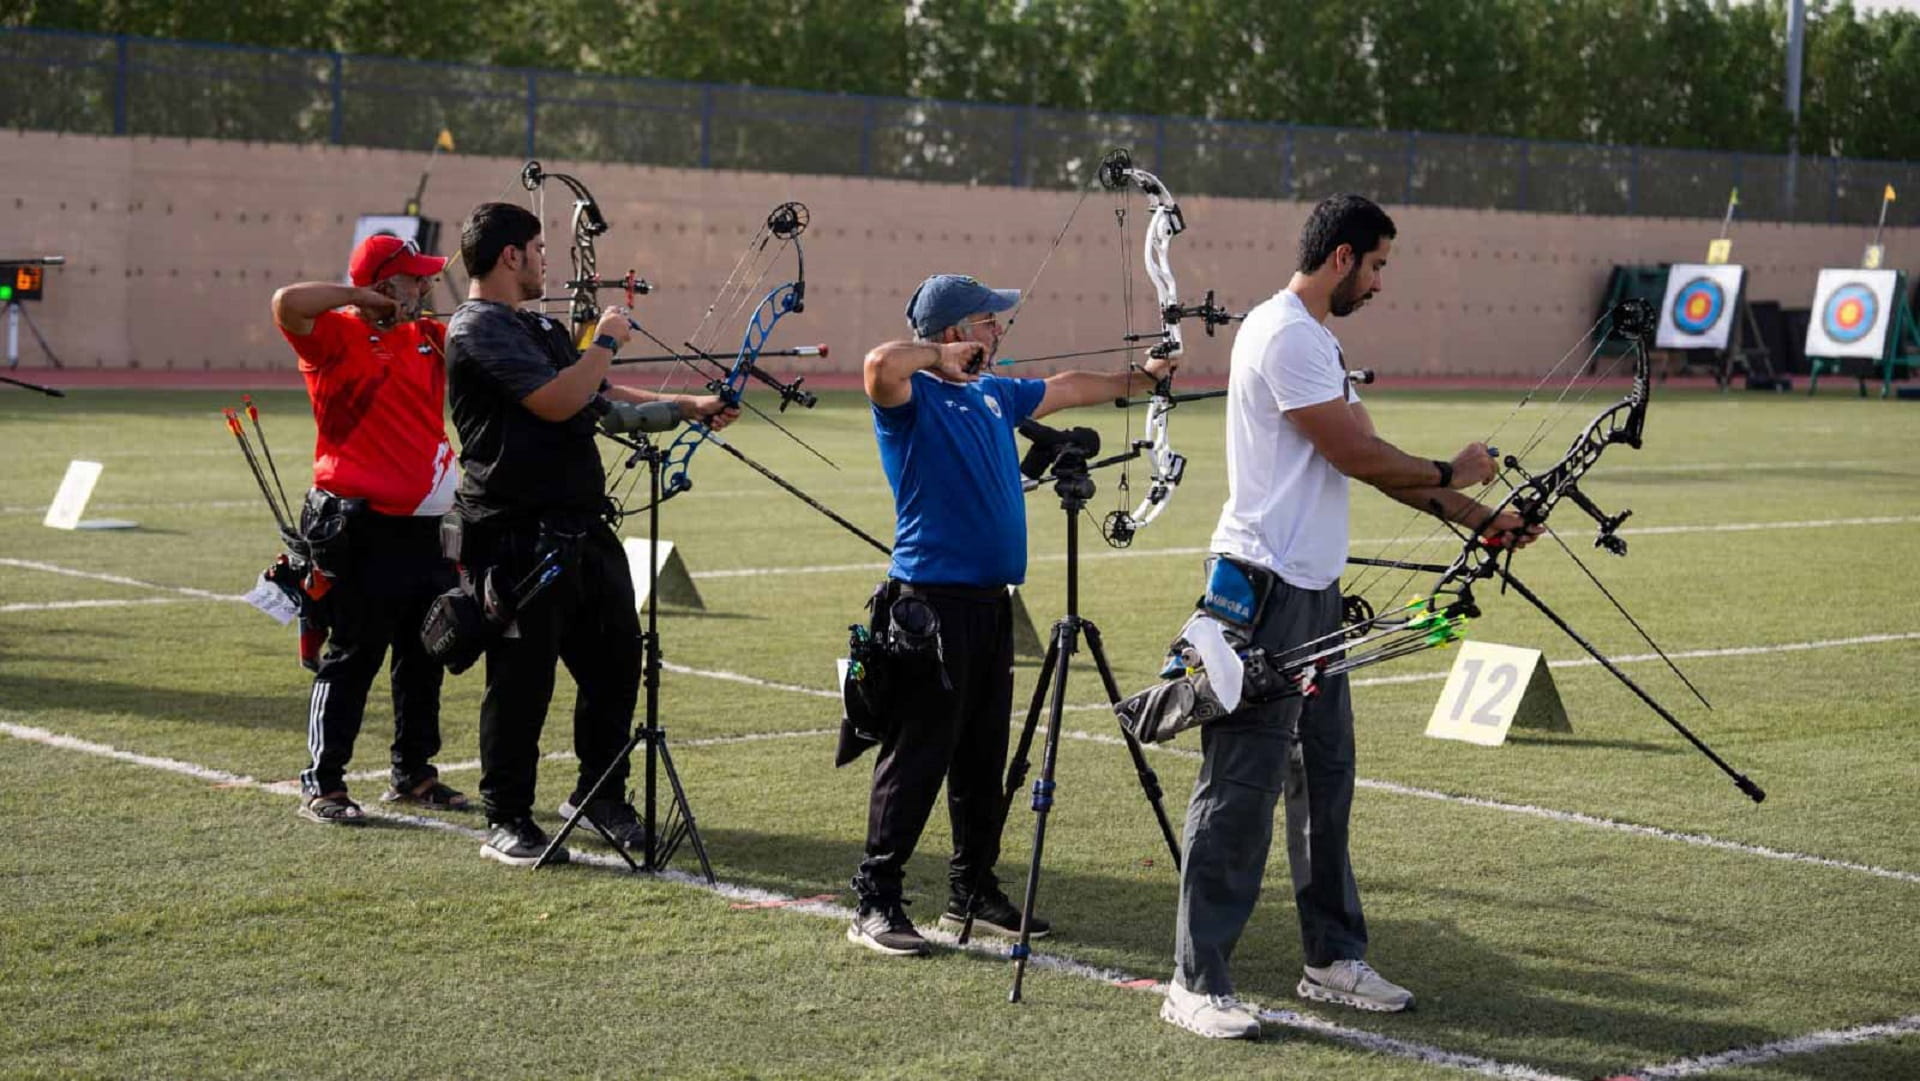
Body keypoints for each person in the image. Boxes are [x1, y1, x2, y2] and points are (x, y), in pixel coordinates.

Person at [1160, 194, 1541, 1039]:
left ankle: (1331, 956)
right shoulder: (1286, 333)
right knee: (1241, 785)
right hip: (1262, 592)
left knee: (1325, 776)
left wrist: (1483, 520)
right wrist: (1458, 469)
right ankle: (1195, 979)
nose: (1378, 283)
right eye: (1375, 266)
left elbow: (1369, 462)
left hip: (1313, 592)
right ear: (1340, 256)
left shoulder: (1314, 339)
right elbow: (1356, 453)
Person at [845, 273, 1177, 956]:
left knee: (980, 754)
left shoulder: (995, 393)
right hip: (927, 607)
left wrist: (1141, 379)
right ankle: (875, 899)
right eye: (987, 321)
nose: (999, 331)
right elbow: (880, 363)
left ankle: (972, 887)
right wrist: (936, 358)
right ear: (953, 331)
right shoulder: (912, 395)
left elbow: (1068, 386)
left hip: (991, 605)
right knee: (918, 753)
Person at [443, 202, 738, 867]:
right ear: (510, 255)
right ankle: (508, 817)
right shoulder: (475, 329)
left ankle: (599, 796)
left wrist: (688, 407)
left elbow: (595, 396)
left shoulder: (534, 327)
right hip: (514, 533)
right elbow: (556, 399)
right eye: (539, 248)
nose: (548, 258)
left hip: (580, 525)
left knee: (616, 658)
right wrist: (603, 337)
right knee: (523, 680)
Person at [272, 233, 468, 825]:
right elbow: (287, 301)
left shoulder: (429, 336)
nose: (429, 287)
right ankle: (324, 782)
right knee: (354, 656)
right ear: (384, 286)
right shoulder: (336, 336)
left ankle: (413, 772)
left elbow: (484, 340)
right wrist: (364, 301)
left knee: (424, 653)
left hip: (430, 528)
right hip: (361, 529)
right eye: (415, 279)